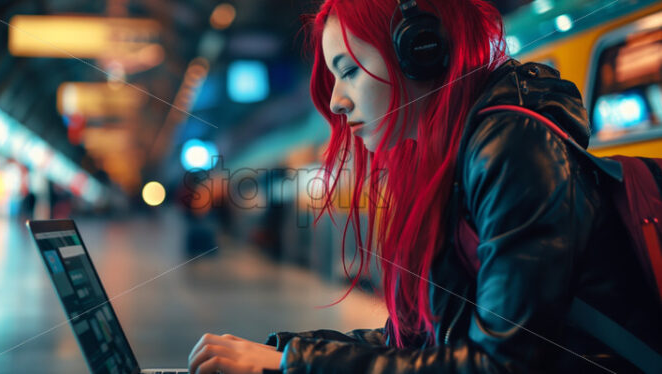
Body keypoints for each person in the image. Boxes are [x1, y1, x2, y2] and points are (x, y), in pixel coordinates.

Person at [187, 0, 662, 373]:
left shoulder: (513, 147)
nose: (335, 100)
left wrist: (295, 363)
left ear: (419, 53)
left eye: (348, 70)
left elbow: (498, 362)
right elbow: (414, 344)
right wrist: (280, 352)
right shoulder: (449, 158)